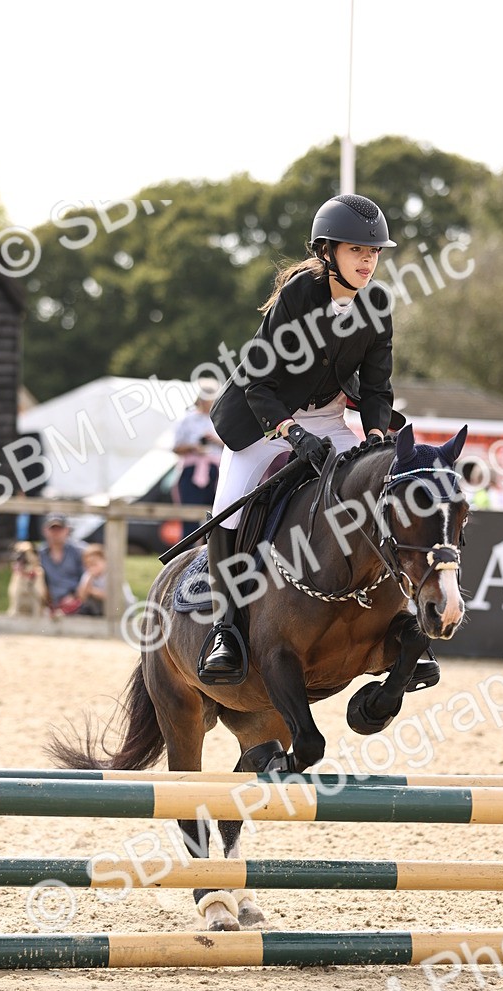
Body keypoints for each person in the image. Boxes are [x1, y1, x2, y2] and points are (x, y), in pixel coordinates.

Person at [201, 192, 406, 683]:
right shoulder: (299, 296)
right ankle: (225, 628)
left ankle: (400, 618)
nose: (368, 261)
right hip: (265, 419)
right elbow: (259, 384)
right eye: (356, 250)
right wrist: (292, 433)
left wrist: (375, 435)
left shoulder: (377, 304)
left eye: (373, 252)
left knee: (381, 487)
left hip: (329, 419)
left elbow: (378, 389)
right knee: (228, 505)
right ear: (327, 251)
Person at [171, 378, 224, 536]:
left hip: (216, 470)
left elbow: (232, 446)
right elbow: (176, 447)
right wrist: (193, 447)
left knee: (216, 518)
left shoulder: (221, 418)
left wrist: (215, 441)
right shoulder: (187, 419)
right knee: (190, 519)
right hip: (193, 470)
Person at [38, 512, 85, 615]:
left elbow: (85, 577)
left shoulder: (79, 551)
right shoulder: (39, 554)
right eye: (52, 529)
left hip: (76, 602)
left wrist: (74, 596)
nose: (56, 533)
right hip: (48, 603)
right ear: (45, 530)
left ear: (67, 530)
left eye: (59, 529)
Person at [76, 545, 108, 615]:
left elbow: (110, 596)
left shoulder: (110, 576)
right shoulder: (87, 575)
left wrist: (92, 591)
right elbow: (81, 597)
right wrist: (89, 578)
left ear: (104, 561)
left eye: (94, 564)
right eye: (88, 565)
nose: (91, 568)